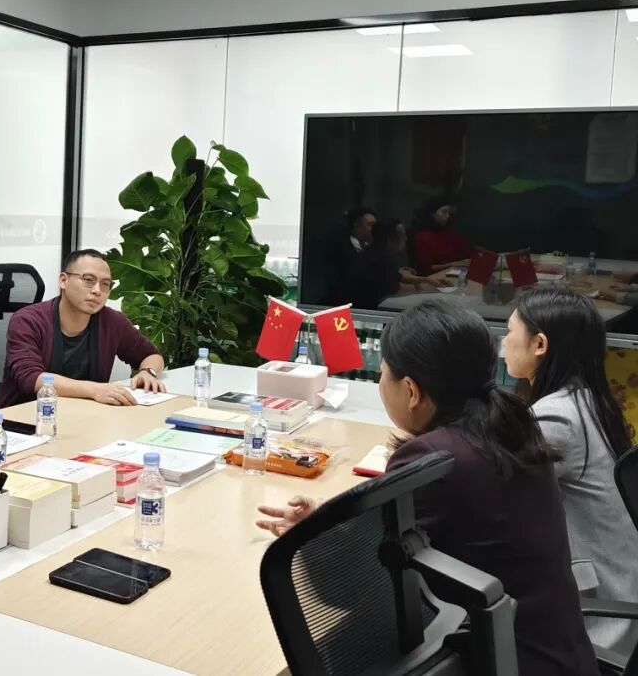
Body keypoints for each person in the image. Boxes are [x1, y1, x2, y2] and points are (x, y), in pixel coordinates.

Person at [256, 300, 598, 676]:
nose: (381, 384)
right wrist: (327, 522)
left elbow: (349, 589)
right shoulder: (509, 426)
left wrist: (312, 540)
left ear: (411, 390)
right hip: (555, 653)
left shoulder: (434, 461)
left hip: (505, 660)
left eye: (383, 374)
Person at [503, 286, 637, 653]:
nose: (504, 342)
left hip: (600, 622)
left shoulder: (555, 418)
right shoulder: (587, 400)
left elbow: (496, 490)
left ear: (539, 345)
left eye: (510, 331)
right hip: (621, 588)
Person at [0, 249, 166, 408]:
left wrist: (148, 372)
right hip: (27, 419)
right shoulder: (28, 320)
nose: (97, 290)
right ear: (63, 281)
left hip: (86, 416)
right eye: (88, 280)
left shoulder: (113, 321)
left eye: (105, 284)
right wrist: (95, 390)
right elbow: (31, 378)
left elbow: (151, 355)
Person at [347, 219, 448, 309]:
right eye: (402, 235)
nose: (406, 238)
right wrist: (430, 288)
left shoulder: (374, 251)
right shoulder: (381, 259)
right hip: (364, 311)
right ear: (390, 239)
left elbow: (398, 276)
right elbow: (397, 289)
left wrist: (427, 280)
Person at [409, 196, 473, 274]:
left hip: (454, 274)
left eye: (449, 213)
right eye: (444, 212)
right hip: (434, 277)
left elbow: (467, 251)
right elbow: (425, 269)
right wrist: (452, 264)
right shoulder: (422, 237)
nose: (447, 216)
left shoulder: (449, 232)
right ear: (432, 213)